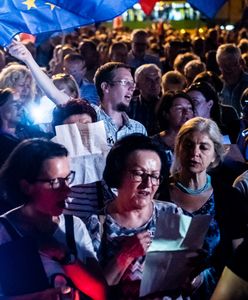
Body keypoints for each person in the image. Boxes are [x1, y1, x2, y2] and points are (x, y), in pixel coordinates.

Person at [87, 134, 204, 299]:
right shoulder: (97, 224)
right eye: (138, 174)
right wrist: (126, 255)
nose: (148, 184)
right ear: (118, 173)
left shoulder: (172, 213)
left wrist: (191, 278)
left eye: (155, 176)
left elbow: (192, 284)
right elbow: (93, 292)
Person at [0, 139, 107, 299]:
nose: (67, 189)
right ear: (26, 186)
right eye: (55, 182)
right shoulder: (4, 231)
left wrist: (64, 255)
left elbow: (101, 293)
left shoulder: (73, 226)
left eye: (68, 178)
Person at [165, 117, 246, 299]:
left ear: (215, 156)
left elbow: (238, 259)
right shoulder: (160, 193)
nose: (195, 153)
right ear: (178, 148)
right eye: (188, 145)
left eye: (203, 147)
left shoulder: (229, 198)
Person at [152, 91, 194, 183]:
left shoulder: (196, 142)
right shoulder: (153, 144)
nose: (186, 113)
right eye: (179, 109)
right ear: (165, 113)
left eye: (190, 108)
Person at [128, 63, 162, 135]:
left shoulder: (167, 105)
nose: (154, 84)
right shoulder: (129, 105)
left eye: (157, 79)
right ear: (137, 85)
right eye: (148, 80)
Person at [216, 43, 248, 116]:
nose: (228, 69)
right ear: (219, 65)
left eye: (231, 64)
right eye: (224, 65)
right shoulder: (216, 85)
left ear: (241, 62)